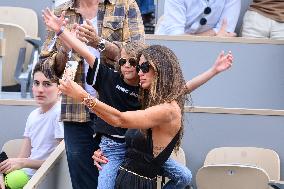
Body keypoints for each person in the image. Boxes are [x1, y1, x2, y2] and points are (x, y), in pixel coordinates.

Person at [43, 7, 233, 188]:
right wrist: (60, 31)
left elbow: (182, 88)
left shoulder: (149, 92)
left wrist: (213, 71)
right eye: (122, 61)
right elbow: (84, 52)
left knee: (184, 176)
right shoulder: (110, 78)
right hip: (114, 149)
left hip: (138, 148)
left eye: (135, 63)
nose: (127, 66)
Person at [40, 0, 144, 188]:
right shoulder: (61, 11)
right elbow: (46, 69)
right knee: (83, 182)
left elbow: (140, 56)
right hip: (76, 113)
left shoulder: (126, 5)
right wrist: (64, 49)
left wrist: (99, 43)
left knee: (122, 180)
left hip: (117, 111)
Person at [0, 62, 64, 189]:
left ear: (60, 88)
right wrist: (4, 171)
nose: (40, 89)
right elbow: (22, 156)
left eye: (47, 84)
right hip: (22, 174)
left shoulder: (59, 114)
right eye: (36, 83)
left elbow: (59, 164)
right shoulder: (33, 115)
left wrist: (23, 163)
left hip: (40, 178)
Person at [155, 0, 241, 37]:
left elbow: (225, 32)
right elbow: (176, 37)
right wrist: (214, 35)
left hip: (210, 50)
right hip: (168, 49)